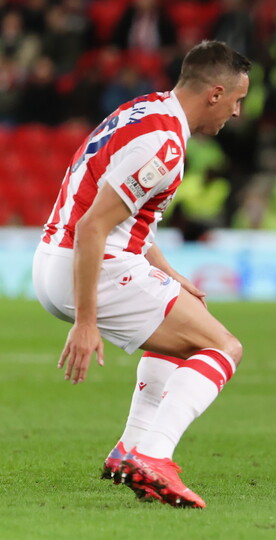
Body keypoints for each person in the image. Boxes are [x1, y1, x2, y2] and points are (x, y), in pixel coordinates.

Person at [32, 40, 250, 509]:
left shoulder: (145, 109)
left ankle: (131, 449)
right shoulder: (164, 145)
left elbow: (126, 217)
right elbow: (93, 226)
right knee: (222, 348)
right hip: (90, 264)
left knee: (184, 331)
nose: (237, 112)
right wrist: (85, 322)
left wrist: (170, 275)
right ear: (214, 94)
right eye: (237, 100)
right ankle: (153, 455)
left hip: (59, 257)